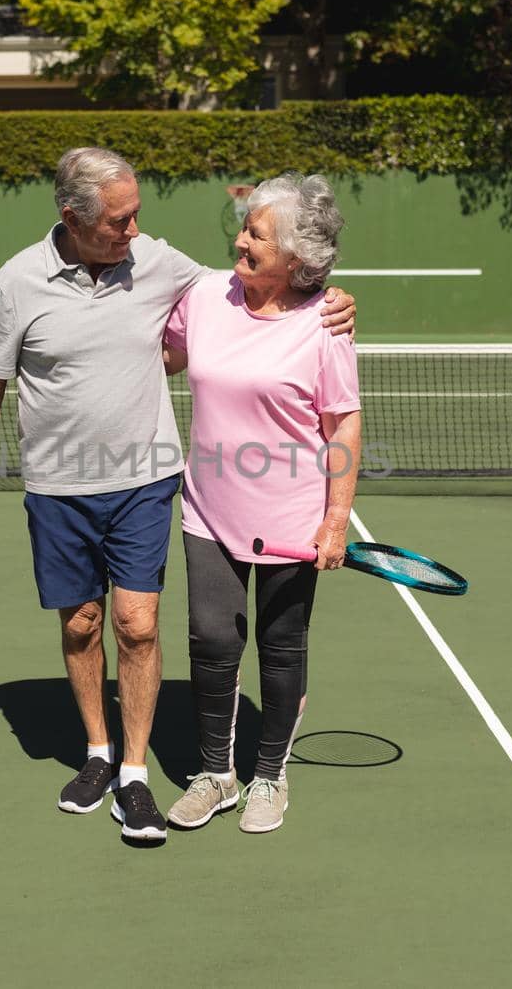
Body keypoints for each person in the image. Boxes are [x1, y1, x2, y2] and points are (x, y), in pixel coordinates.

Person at [0, 149, 355, 843]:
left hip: (195, 493)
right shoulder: (32, 284)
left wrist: (329, 299)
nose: (135, 230)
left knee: (189, 632)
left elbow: (285, 327)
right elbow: (2, 380)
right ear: (73, 217)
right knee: (122, 629)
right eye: (119, 218)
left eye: (137, 213)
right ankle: (146, 761)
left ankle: (197, 773)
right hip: (118, 496)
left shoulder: (183, 272)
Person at [160, 173, 361, 835]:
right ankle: (216, 773)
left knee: (281, 648)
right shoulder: (206, 299)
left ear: (297, 260)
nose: (241, 241)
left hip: (292, 517)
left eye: (256, 234)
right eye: (244, 227)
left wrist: (335, 520)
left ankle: (269, 775)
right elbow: (164, 353)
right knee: (212, 640)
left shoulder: (325, 324)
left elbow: (341, 426)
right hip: (209, 508)